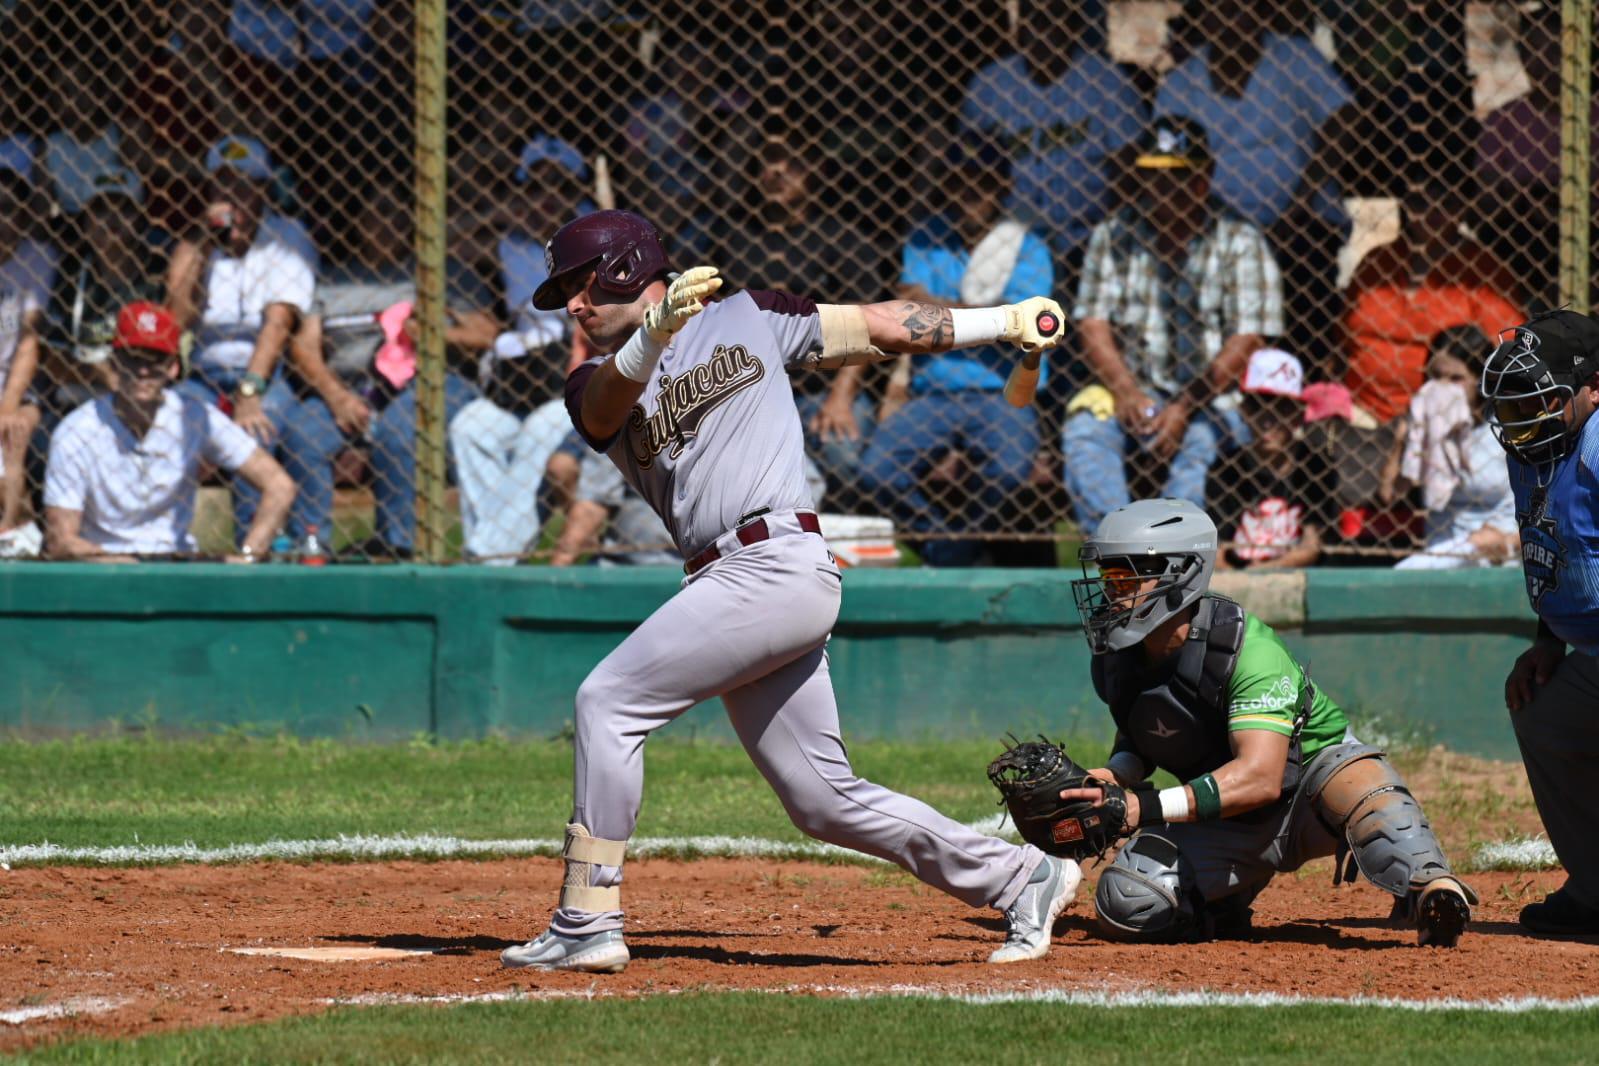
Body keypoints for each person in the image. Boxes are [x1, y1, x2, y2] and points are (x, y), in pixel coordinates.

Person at [500, 208, 1076, 974]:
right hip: (730, 577)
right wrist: (653, 333)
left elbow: (882, 326)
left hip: (774, 561)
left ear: (624, 268)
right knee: (821, 800)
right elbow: (606, 407)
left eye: (578, 285)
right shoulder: (591, 381)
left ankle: (585, 918)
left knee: (608, 703)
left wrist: (1001, 321)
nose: (571, 305)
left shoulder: (751, 315)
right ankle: (1020, 877)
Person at [1064, 497, 1475, 946]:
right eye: (1107, 577)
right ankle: (1218, 907)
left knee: (1364, 788)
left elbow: (1261, 777)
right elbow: (1145, 733)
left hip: (1309, 787)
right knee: (1130, 899)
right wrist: (1111, 776)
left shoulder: (1246, 650)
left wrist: (1145, 807)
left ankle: (1430, 888)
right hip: (1225, 812)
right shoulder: (1117, 659)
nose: (1110, 592)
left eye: (1125, 576)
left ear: (1181, 574)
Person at [1063, 116, 1281, 535]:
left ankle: (1175, 555)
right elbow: (1092, 323)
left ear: (1204, 178)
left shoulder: (1239, 238)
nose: (1164, 190)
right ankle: (1122, 549)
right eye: (1154, 177)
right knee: (1086, 432)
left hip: (1214, 400)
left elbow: (1249, 337)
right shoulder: (1115, 234)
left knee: (1199, 444)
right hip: (1134, 388)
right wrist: (1126, 391)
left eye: (1178, 177)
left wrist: (1184, 405)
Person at [854, 143, 1053, 565]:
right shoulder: (926, 239)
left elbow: (1025, 325)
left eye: (982, 183)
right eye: (961, 181)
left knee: (1010, 471)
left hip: (1001, 391)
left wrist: (936, 310)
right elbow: (908, 319)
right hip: (934, 393)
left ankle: (949, 554)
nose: (970, 192)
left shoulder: (1027, 247)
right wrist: (992, 318)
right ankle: (949, 545)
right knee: (877, 471)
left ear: (1001, 188)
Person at [1479, 310, 1599, 936]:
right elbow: (1566, 553)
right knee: (1544, 711)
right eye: (1513, 406)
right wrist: (1549, 642)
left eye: (1538, 403)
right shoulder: (1538, 444)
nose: (1521, 420)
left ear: (1594, 387)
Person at [295, 184, 494, 559]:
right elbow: (304, 347)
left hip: (431, 383)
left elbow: (487, 334)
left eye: (393, 214)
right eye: (373, 215)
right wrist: (336, 396)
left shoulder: (440, 271)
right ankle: (312, 549)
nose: (383, 224)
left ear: (410, 223)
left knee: (399, 430)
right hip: (349, 391)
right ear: (357, 223)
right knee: (302, 431)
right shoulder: (334, 280)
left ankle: (398, 548)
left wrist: (437, 334)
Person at [1155, 0, 1353, 359]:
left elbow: (1343, 117)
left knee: (1306, 273)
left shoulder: (1293, 57)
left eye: (1239, 9)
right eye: (1220, 10)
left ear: (1262, 13)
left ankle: (1301, 381)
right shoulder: (1182, 82)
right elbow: (1172, 164)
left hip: (1298, 222)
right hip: (1213, 231)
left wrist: (1300, 200)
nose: (1230, 21)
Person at [166, 134, 333, 546]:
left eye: (243, 186)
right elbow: (175, 319)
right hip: (204, 375)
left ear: (262, 190)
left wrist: (249, 389)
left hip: (264, 375)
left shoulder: (286, 237)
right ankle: (168, 543)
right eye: (222, 186)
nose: (231, 198)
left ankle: (254, 549)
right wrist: (204, 244)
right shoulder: (197, 245)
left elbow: (277, 324)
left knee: (251, 434)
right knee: (170, 426)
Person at [1333, 177, 1522, 538]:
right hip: (1365, 408)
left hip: (1446, 412)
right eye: (1419, 203)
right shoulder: (1379, 261)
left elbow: (1505, 353)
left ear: (1460, 209)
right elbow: (1342, 340)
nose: (1429, 214)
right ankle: (1356, 536)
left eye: (1443, 203)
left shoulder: (1482, 269)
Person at [43, 301, 293, 561]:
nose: (143, 370)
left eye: (155, 360)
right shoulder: (77, 430)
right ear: (115, 362)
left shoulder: (193, 415)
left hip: (176, 559)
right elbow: (60, 540)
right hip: (106, 562)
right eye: (133, 358)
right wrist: (116, 563)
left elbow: (279, 485)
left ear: (173, 367)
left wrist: (249, 557)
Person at [958, 0, 1144, 287]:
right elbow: (968, 173)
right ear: (1020, 27)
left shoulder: (1107, 83)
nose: (1045, 30)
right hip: (1009, 240)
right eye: (1036, 19)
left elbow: (1129, 170)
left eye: (1056, 17)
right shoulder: (989, 86)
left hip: (1088, 239)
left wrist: (1107, 235)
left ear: (1074, 25)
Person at [1386, 327, 1517, 570]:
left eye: (1456, 379)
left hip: (1503, 555)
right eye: (1436, 377)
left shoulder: (1506, 428)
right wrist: (1404, 441)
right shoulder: (1426, 425)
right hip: (1442, 554)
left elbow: (1545, 511)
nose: (1443, 388)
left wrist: (1508, 541)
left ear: (1480, 381)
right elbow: (1389, 495)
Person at [1205, 347, 1330, 570]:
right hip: (1235, 580)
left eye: (1280, 407)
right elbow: (1217, 552)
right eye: (1257, 406)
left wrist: (1261, 573)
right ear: (1243, 410)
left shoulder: (1317, 467)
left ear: (1298, 413)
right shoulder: (1225, 470)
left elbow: (1312, 548)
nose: (1267, 420)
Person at [0, 168, 56, 557]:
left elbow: (28, 343)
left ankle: (19, 532)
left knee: (14, 431)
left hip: (15, 384)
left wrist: (6, 404)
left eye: (7, 208)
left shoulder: (37, 260)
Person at [549, 449, 679, 568]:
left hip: (632, 563)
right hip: (632, 563)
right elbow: (593, 505)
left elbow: (592, 508)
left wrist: (558, 568)